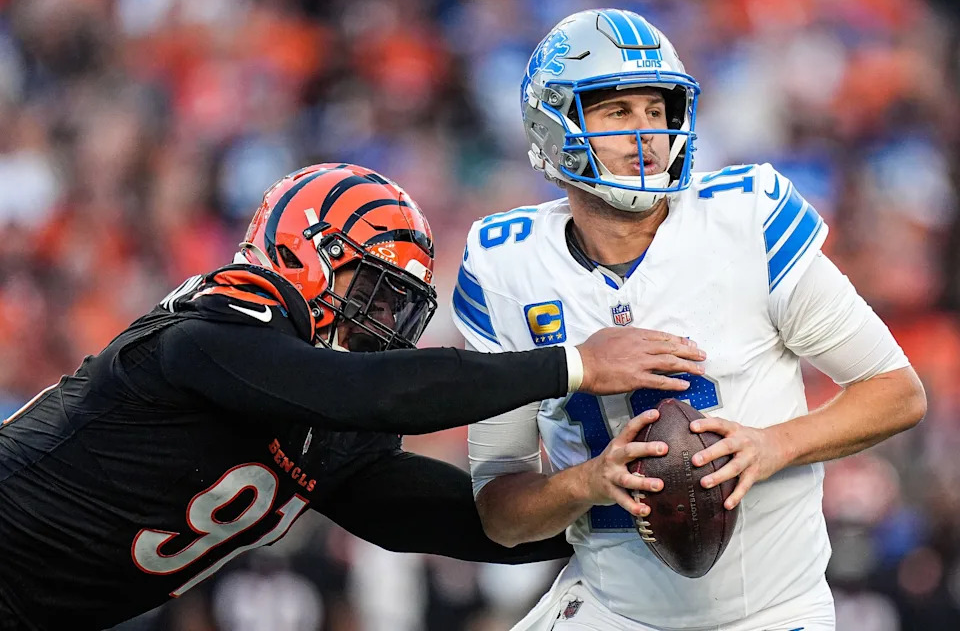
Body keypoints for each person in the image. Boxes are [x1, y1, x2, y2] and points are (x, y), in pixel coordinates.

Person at [0, 162, 707, 631]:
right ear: (303, 255)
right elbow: (375, 394)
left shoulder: (326, 427)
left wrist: (606, 493)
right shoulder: (215, 326)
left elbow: (474, 523)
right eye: (370, 291)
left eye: (399, 307)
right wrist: (574, 364)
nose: (382, 324)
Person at [452, 10, 927, 631]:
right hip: (612, 607)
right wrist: (590, 482)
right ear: (553, 123)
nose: (645, 132)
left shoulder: (744, 219)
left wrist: (770, 444)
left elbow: (896, 392)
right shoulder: (506, 263)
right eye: (617, 112)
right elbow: (501, 513)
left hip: (774, 612)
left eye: (657, 109)